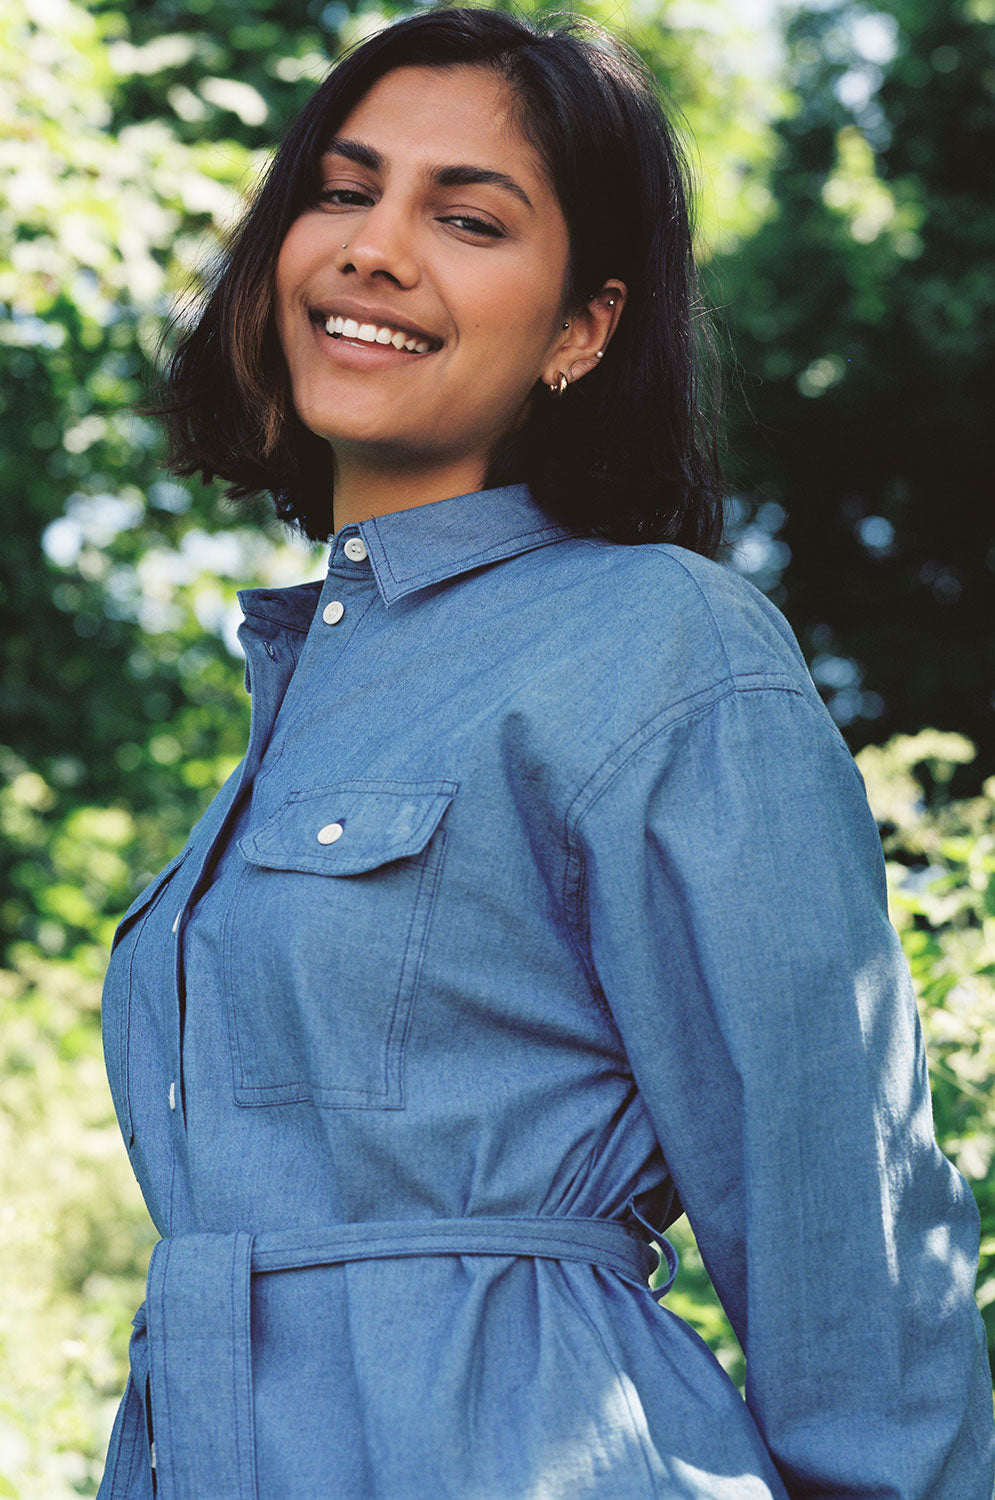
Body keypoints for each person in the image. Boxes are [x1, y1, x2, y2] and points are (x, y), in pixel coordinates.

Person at [95, 8, 995, 1498]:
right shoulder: (302, 689)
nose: (376, 247)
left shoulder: (663, 645)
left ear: (585, 328)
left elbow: (845, 1210)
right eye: (340, 188)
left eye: (467, 217)